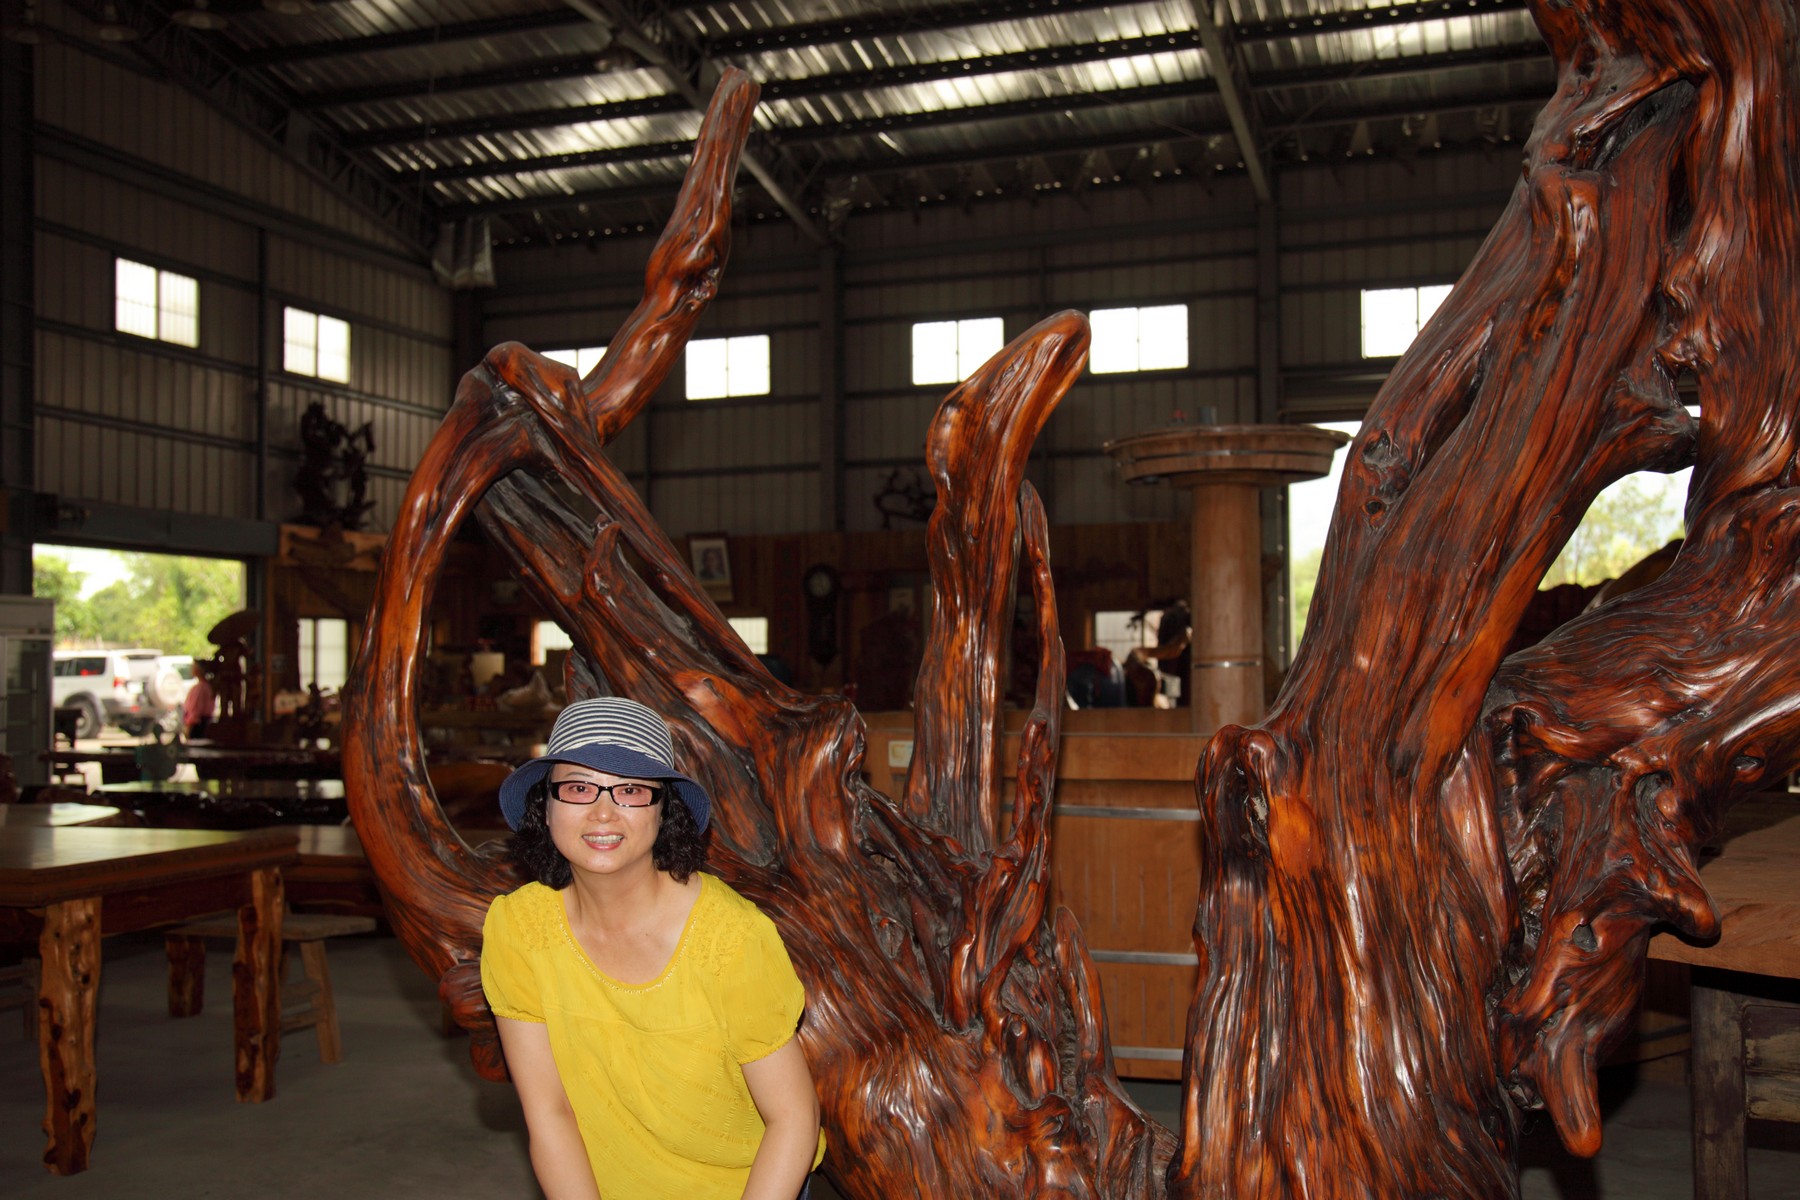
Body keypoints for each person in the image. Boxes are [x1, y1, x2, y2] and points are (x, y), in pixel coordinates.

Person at [481, 697, 824, 1200]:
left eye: (631, 790)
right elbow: (549, 1113)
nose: (602, 812)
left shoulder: (731, 938)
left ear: (665, 811)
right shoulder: (519, 929)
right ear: (545, 806)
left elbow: (794, 1117)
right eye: (578, 788)